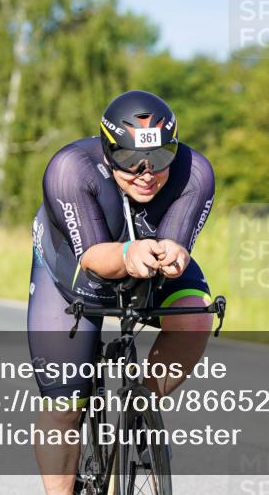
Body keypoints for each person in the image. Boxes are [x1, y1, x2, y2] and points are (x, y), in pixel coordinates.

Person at [27, 90, 215, 495]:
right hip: (72, 273)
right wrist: (129, 255)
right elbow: (94, 257)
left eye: (160, 157)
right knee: (65, 408)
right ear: (107, 150)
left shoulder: (195, 171)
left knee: (195, 317)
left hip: (145, 258)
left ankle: (141, 411)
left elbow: (176, 242)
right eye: (130, 159)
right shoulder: (70, 169)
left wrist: (176, 254)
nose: (146, 173)